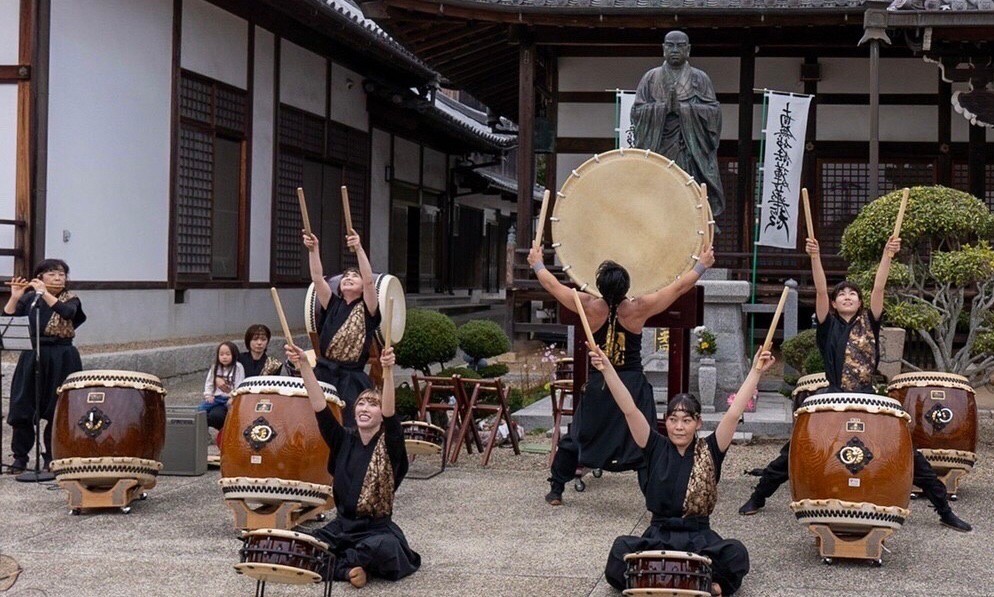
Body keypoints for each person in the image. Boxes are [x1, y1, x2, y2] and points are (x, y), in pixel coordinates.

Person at [738, 237, 971, 532]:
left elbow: (879, 288)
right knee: (797, 450)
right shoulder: (827, 325)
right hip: (833, 396)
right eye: (841, 294)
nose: (847, 296)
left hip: (867, 396)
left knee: (907, 453)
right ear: (834, 304)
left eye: (852, 294)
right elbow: (821, 288)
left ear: (860, 302)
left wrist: (887, 255)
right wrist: (815, 256)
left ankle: (944, 510)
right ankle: (758, 497)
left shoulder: (870, 323)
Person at [528, 243, 715, 506]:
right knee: (645, 440)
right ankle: (655, 497)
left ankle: (556, 488)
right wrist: (702, 265)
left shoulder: (588, 306)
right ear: (627, 286)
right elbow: (678, 288)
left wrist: (537, 262)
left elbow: (551, 285)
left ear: (599, 286)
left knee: (578, 435)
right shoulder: (638, 308)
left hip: (601, 386)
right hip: (631, 385)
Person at [599, 343, 771, 596]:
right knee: (619, 550)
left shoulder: (711, 449)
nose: (679, 427)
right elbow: (629, 409)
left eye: (687, 420)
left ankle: (689, 584)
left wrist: (756, 371)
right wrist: (606, 370)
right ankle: (685, 581)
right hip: (658, 535)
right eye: (673, 420)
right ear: (665, 421)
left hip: (699, 537)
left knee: (736, 553)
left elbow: (734, 414)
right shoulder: (654, 445)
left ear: (698, 423)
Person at [285, 342, 420, 588]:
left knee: (382, 548)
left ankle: (339, 565)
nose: (365, 408)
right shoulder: (343, 439)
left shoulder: (390, 444)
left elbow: (391, 414)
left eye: (372, 404)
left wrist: (388, 372)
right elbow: (320, 407)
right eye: (361, 403)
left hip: (376, 531)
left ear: (380, 414)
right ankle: (350, 570)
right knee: (300, 545)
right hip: (342, 527)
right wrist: (304, 365)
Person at [3, 259, 85, 474]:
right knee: (23, 405)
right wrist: (14, 297)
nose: (58, 278)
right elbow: (9, 321)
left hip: (62, 356)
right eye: (52, 274)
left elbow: (67, 313)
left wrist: (44, 293)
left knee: (57, 407)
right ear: (40, 277)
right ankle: (20, 457)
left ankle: (52, 456)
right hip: (32, 354)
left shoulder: (71, 298)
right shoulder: (30, 299)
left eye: (61, 274)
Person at [631, 30, 724, 217]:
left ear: (688, 50)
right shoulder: (651, 78)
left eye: (680, 46)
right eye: (670, 45)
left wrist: (683, 110)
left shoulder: (700, 78)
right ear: (663, 49)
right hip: (659, 147)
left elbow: (714, 113)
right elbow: (636, 112)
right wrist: (663, 109)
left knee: (689, 195)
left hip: (689, 150)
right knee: (657, 198)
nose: (675, 50)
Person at [304, 229, 380, 426]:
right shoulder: (332, 304)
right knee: (315, 422)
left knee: (348, 426)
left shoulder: (367, 309)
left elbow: (370, 281)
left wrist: (359, 249)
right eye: (345, 276)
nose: (348, 277)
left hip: (351, 378)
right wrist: (314, 250)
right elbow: (317, 278)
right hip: (323, 372)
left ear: (363, 286)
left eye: (355, 276)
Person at [199, 341, 245, 432]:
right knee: (200, 410)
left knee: (233, 415)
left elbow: (239, 384)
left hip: (229, 398)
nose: (224, 357)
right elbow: (209, 383)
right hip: (216, 398)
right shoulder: (215, 367)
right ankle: (203, 432)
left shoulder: (238, 367)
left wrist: (233, 396)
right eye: (221, 354)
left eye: (228, 354)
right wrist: (208, 395)